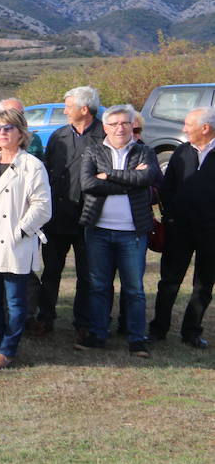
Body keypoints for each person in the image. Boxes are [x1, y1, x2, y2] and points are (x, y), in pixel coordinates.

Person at [0, 107, 51, 369]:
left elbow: (42, 206)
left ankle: (8, 349)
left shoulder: (32, 165)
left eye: (8, 128)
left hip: (15, 243)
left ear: (20, 132)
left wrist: (20, 231)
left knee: (15, 303)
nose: (2, 133)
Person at [75, 105, 160, 356]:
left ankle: (137, 339)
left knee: (134, 289)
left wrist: (109, 175)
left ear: (132, 126)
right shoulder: (93, 150)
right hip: (98, 231)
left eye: (125, 123)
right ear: (105, 127)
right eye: (114, 124)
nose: (120, 128)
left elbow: (146, 180)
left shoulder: (145, 151)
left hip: (133, 233)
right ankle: (98, 335)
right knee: (99, 286)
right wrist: (129, 181)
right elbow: (88, 184)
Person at [38, 85, 105, 340]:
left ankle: (83, 322)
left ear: (84, 109)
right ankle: (45, 319)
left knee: (87, 274)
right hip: (58, 216)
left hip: (90, 217)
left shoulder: (104, 135)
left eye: (68, 106)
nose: (64, 111)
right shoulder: (58, 136)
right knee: (51, 271)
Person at [150, 107, 215, 348]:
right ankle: (158, 329)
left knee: (204, 284)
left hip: (211, 232)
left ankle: (192, 332)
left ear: (205, 128)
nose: (184, 129)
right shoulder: (181, 152)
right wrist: (170, 219)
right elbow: (167, 189)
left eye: (188, 124)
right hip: (180, 230)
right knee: (169, 281)